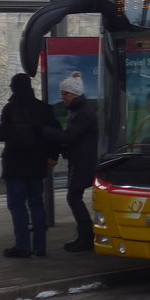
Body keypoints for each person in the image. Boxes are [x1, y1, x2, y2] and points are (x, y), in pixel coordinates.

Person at [0, 73, 61, 258]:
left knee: (18, 207)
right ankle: (40, 246)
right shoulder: (43, 108)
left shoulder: (10, 108)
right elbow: (55, 134)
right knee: (37, 205)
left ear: (13, 88)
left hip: (15, 167)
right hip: (37, 165)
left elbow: (1, 135)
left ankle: (22, 246)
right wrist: (52, 156)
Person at [44, 71, 99, 252]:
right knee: (74, 197)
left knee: (73, 197)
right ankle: (84, 235)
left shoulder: (83, 112)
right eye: (62, 94)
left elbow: (70, 136)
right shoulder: (78, 110)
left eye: (65, 94)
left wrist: (45, 130)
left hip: (84, 161)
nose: (63, 98)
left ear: (74, 94)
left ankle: (87, 236)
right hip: (80, 160)